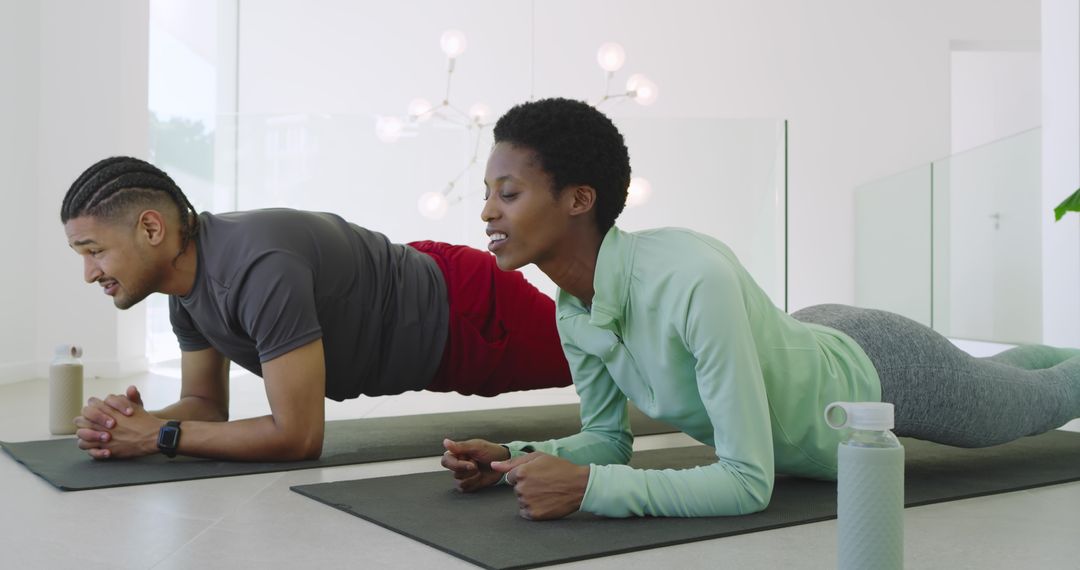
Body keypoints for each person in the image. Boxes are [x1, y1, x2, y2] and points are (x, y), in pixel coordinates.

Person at [439, 97, 1080, 520]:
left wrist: (587, 491)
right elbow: (609, 440)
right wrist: (510, 455)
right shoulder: (575, 310)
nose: (488, 212)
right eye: (488, 194)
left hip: (876, 369)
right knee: (1011, 379)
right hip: (805, 335)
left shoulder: (692, 278)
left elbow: (748, 482)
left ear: (580, 198)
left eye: (509, 192)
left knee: (1032, 405)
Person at [62, 156, 571, 462]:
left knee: (615, 357)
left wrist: (161, 436)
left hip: (465, 312)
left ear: (152, 229)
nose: (89, 274)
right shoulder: (185, 291)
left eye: (94, 251)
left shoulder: (257, 268)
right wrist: (131, 424)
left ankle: (646, 301)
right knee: (610, 352)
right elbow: (205, 405)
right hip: (423, 292)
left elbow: (299, 436)